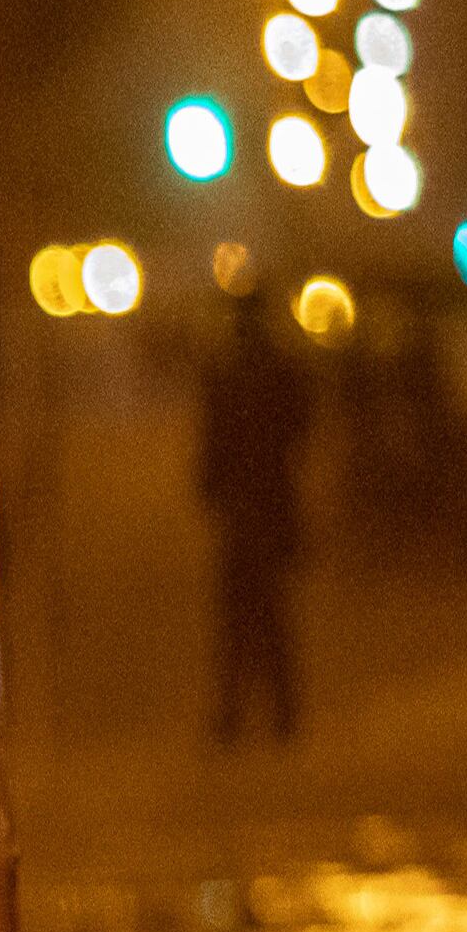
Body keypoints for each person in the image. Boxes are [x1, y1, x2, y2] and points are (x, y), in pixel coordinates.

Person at [196, 286, 310, 742]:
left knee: (240, 617)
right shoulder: (280, 367)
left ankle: (237, 718)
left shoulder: (226, 370)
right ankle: (281, 716)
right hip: (271, 501)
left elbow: (212, 442)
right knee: (270, 614)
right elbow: (301, 426)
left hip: (243, 507)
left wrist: (211, 487)